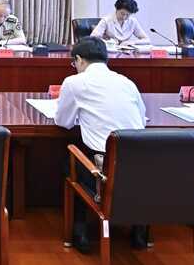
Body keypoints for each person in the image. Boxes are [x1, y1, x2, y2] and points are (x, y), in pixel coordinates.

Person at [54, 36, 147, 252]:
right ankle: (139, 232)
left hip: (101, 169)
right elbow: (142, 119)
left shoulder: (75, 82)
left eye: (74, 63)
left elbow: (63, 122)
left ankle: (80, 231)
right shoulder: (127, 82)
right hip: (139, 165)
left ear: (79, 60)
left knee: (71, 161)